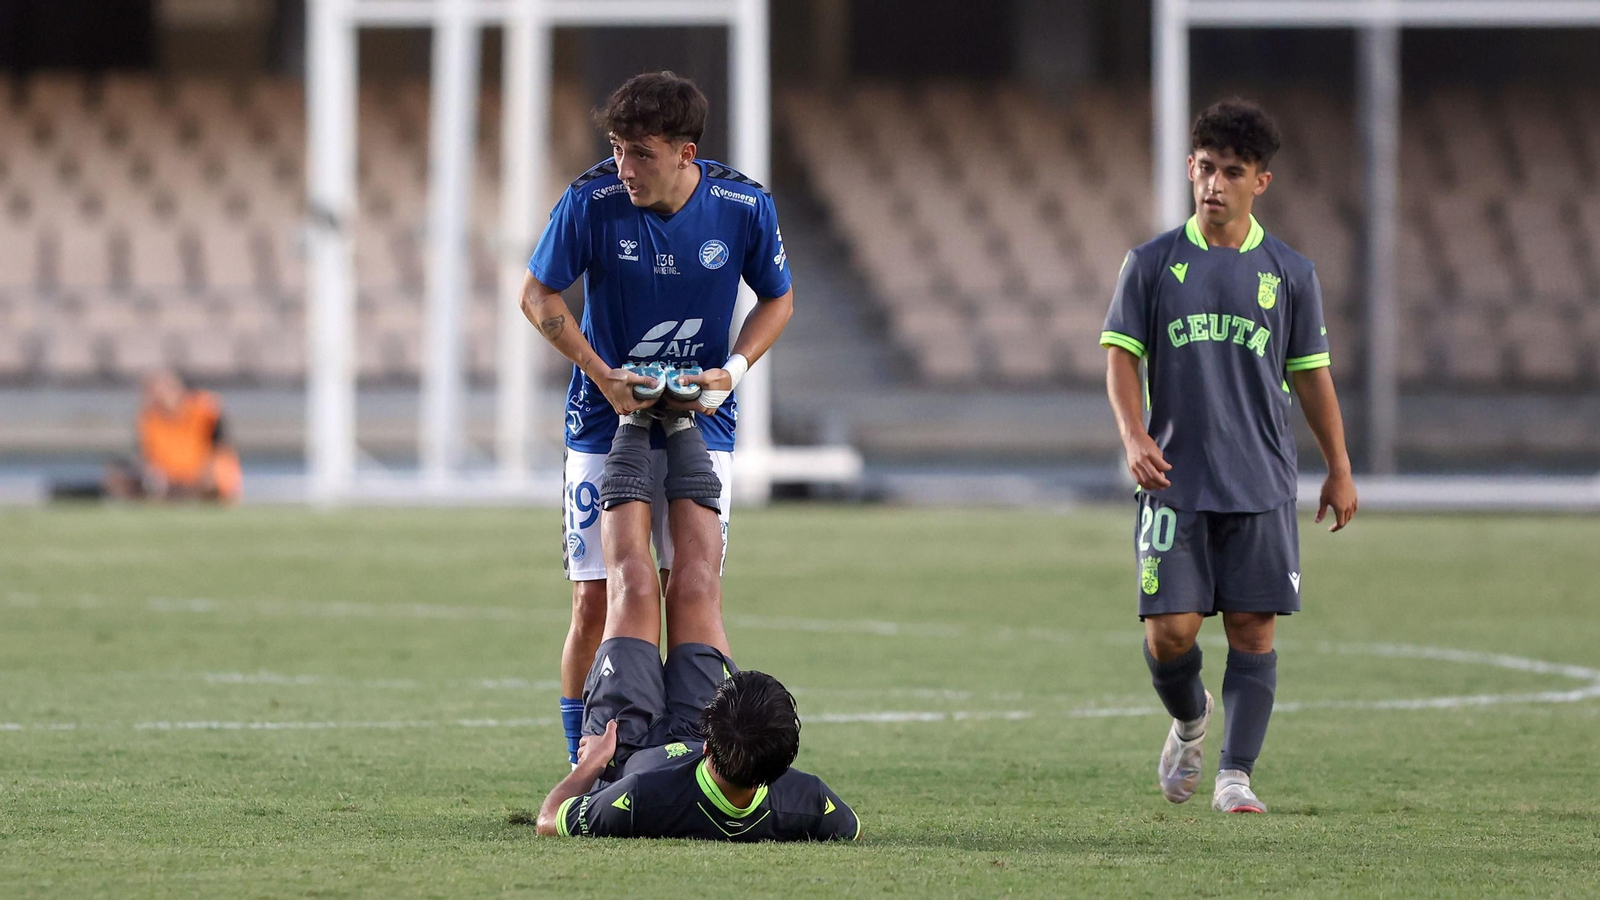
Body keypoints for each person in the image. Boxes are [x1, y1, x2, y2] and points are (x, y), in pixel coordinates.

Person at [519, 71, 795, 766]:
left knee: (694, 587)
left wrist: (730, 373)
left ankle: (704, 756)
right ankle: (581, 758)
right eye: (616, 148)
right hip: (602, 418)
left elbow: (778, 300)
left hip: (703, 422)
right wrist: (600, 373)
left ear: (685, 154)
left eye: (640, 152)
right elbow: (536, 295)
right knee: (597, 598)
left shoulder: (742, 205)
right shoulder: (592, 202)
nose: (624, 168)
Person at [1099, 100, 1358, 814]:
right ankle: (1189, 719)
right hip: (1174, 481)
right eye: (1205, 169)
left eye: (1231, 172)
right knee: (1169, 633)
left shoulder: (1290, 273)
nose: (1214, 184)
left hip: (1261, 480)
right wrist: (1132, 435)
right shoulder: (1150, 265)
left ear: (1260, 183)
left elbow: (1311, 374)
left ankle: (1235, 777)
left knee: (1253, 628)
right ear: (1190, 169)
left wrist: (1338, 464)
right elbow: (1122, 358)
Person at [533, 420, 858, 841]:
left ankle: (632, 421)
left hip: (628, 749)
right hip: (729, 750)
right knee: (696, 586)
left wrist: (591, 765)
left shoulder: (639, 798)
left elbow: (549, 821)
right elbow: (849, 827)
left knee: (633, 586)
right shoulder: (809, 803)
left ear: (708, 741)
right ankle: (682, 423)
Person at [55, 369, 242, 502]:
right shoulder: (148, 417)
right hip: (169, 479)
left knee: (214, 479)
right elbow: (148, 457)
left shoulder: (204, 408)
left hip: (203, 476)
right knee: (120, 478)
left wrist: (204, 475)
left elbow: (219, 447)